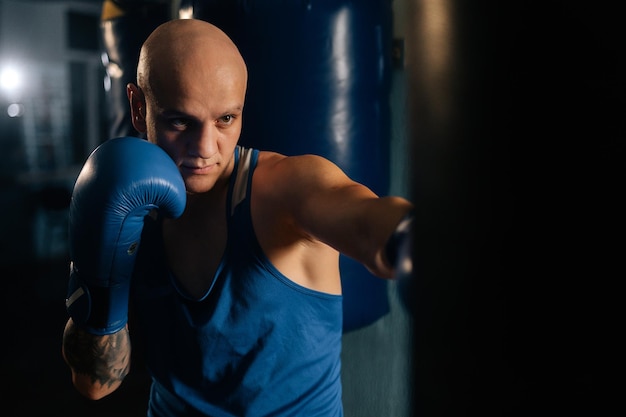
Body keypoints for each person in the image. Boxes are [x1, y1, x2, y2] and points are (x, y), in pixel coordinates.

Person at [62, 18, 413, 416]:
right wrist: (96, 278)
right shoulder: (130, 208)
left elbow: (363, 216)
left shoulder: (285, 190)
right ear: (139, 108)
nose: (206, 148)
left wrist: (408, 236)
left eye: (225, 119)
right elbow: (95, 385)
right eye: (181, 121)